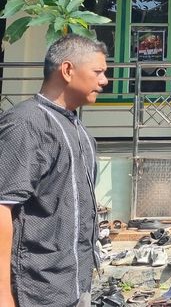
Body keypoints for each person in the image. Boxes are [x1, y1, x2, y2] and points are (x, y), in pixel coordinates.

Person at [0, 35, 109, 307]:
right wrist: (3, 296)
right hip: (35, 290)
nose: (104, 81)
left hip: (74, 283)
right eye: (98, 72)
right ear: (68, 70)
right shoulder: (26, 124)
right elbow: (2, 208)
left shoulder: (77, 127)